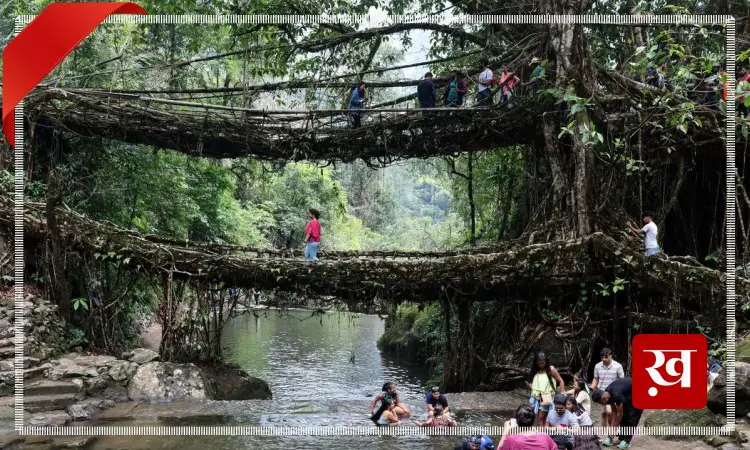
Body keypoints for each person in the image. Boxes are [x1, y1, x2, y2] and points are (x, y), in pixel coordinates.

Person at [591, 378, 642, 449]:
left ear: (603, 399)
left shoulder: (616, 395)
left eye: (602, 403)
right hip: (629, 393)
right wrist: (612, 429)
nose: (603, 404)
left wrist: (614, 429)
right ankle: (620, 439)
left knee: (631, 416)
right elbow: (614, 412)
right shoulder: (607, 394)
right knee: (624, 416)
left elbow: (619, 413)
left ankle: (626, 441)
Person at [589, 348, 624, 429]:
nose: (604, 359)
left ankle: (613, 429)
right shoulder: (597, 366)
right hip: (602, 393)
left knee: (610, 412)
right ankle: (606, 432)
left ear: (611, 355)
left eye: (606, 357)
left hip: (613, 393)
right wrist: (593, 386)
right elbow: (596, 378)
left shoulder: (618, 366)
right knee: (604, 413)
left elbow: (621, 380)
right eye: (602, 357)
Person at [529, 351, 566, 426]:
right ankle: (546, 435)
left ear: (546, 361)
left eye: (543, 363)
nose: (541, 365)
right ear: (536, 362)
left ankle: (542, 436)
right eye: (539, 363)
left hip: (546, 397)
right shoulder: (536, 370)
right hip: (536, 398)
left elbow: (561, 381)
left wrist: (562, 396)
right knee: (543, 419)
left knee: (540, 419)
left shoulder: (551, 369)